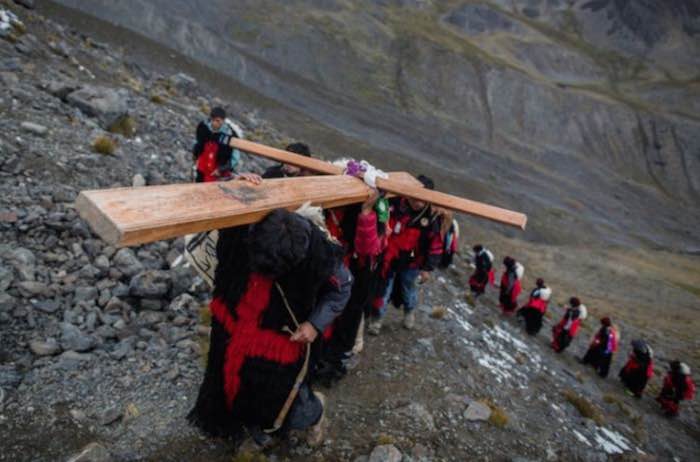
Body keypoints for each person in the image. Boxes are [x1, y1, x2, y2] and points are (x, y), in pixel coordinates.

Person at [187, 209, 352, 448]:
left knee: (282, 395)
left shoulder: (319, 253)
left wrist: (315, 324)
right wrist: (239, 185)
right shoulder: (245, 224)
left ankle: (314, 414)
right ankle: (240, 425)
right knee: (226, 378)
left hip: (280, 339)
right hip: (234, 325)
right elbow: (215, 198)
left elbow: (342, 288)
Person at [314, 191, 388, 385]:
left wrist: (365, 213)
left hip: (358, 276)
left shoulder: (374, 212)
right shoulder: (329, 208)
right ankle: (319, 359)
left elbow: (367, 248)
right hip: (333, 270)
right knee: (326, 313)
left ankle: (333, 365)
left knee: (347, 320)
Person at [368, 175, 443, 334]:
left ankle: (409, 311)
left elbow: (435, 245)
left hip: (413, 263)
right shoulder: (395, 204)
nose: (418, 203)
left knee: (408, 289)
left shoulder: (431, 218)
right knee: (383, 290)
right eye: (415, 198)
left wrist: (427, 268)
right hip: (389, 258)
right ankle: (377, 319)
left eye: (422, 200)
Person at [193, 107, 243, 182]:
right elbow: (198, 143)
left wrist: (221, 169)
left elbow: (235, 158)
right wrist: (195, 158)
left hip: (217, 172)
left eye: (217, 121)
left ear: (223, 120)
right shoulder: (204, 127)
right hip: (202, 167)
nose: (214, 123)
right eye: (213, 120)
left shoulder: (231, 135)